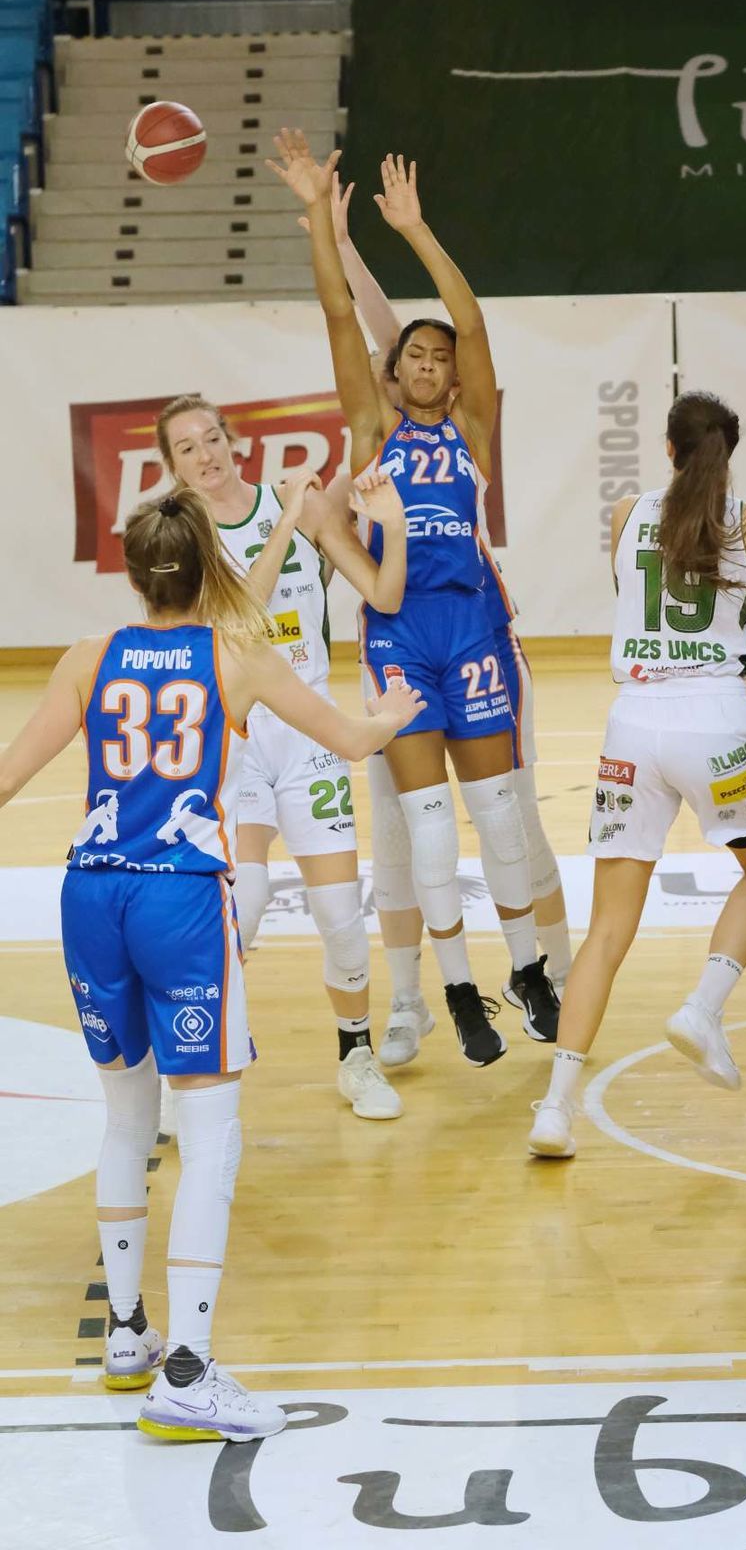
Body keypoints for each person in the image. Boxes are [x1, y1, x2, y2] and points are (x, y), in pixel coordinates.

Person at [0, 488, 419, 1438]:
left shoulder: (86, 658)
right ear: (210, 570)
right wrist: (392, 712)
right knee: (211, 1135)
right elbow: (352, 740)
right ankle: (186, 1372)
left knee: (124, 1119)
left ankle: (127, 1335)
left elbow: (9, 775)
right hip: (180, 902)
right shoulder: (238, 657)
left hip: (91, 894)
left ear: (132, 573)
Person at [272, 130, 560, 1067]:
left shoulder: (473, 431)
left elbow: (472, 322)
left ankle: (528, 971)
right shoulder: (371, 430)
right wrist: (320, 222)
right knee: (428, 831)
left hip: (473, 629)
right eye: (415, 355)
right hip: (398, 635)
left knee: (502, 815)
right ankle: (459, 991)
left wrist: (415, 230)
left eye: (441, 356)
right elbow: (334, 312)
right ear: (392, 374)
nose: (431, 361)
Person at [528, 390, 746, 1159]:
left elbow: (645, 606)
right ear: (728, 452)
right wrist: (733, 640)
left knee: (607, 929)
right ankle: (703, 1008)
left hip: (633, 728)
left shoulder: (625, 514)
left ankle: (554, 1110)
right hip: (713, 726)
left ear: (668, 449)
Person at [157, 393, 410, 1120]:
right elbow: (236, 624)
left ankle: (356, 1057)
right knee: (246, 900)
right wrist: (288, 523)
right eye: (186, 447)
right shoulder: (179, 532)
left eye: (212, 438)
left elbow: (384, 595)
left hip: (308, 727)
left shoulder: (296, 503)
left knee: (339, 911)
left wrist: (391, 525)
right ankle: (188, 1065)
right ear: (170, 465)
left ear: (232, 440)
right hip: (235, 733)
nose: (206, 455)